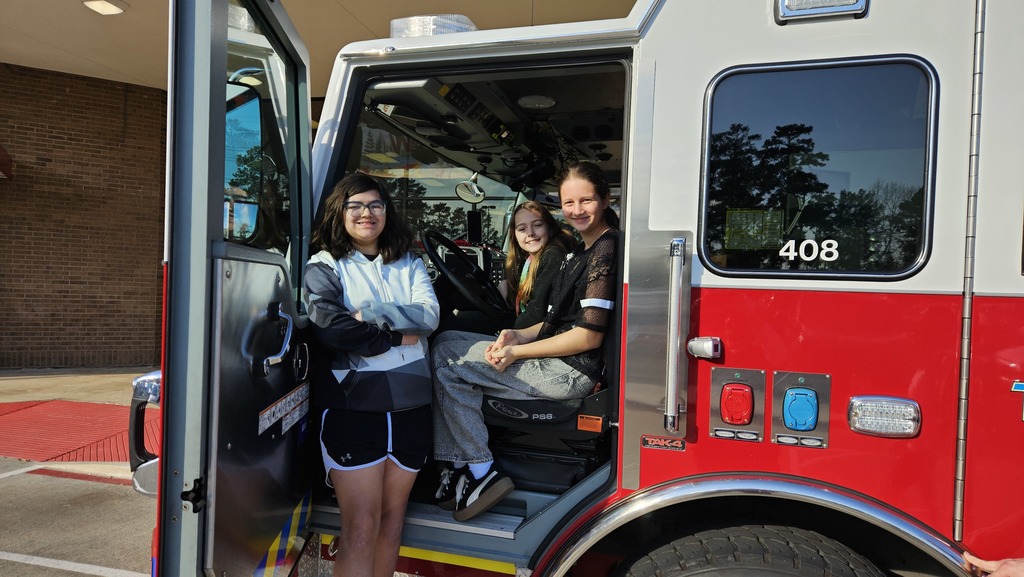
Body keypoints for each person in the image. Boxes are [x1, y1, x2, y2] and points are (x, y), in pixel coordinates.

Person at [431, 161, 619, 522]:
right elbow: (553, 322)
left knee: (445, 361)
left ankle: (479, 470)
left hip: (569, 372)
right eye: (568, 203)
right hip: (558, 361)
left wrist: (517, 351)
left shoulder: (605, 250)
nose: (576, 210)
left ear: (605, 199)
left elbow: (588, 335)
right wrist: (515, 334)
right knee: (450, 340)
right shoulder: (580, 251)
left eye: (586, 201)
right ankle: (457, 465)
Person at [304, 173, 440, 577]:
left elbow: (430, 316)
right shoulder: (324, 265)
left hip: (412, 409)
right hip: (353, 409)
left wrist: (371, 316)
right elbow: (333, 328)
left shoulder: (410, 261)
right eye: (356, 206)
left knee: (392, 523)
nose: (367, 213)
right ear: (340, 212)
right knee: (361, 527)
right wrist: (400, 335)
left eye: (376, 205)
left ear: (387, 211)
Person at [501, 200, 576, 329]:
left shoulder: (553, 255)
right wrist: (506, 288)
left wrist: (511, 333)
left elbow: (536, 312)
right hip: (531, 335)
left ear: (549, 227)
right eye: (522, 229)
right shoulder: (531, 259)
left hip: (539, 338)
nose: (530, 233)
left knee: (454, 337)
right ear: (515, 235)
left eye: (537, 225)